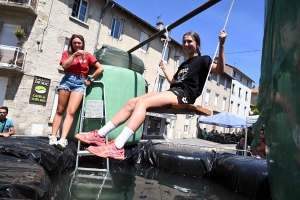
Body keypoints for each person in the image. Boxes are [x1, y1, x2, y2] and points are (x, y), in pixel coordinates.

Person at [75, 30, 227, 160]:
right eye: (184, 42)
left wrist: (221, 45)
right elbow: (174, 81)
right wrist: (165, 68)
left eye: (190, 41)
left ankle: (117, 145)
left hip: (185, 94)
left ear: (197, 44)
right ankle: (100, 134)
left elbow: (219, 70)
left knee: (142, 104)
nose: (186, 44)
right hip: (173, 91)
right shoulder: (183, 64)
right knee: (132, 101)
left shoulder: (203, 59)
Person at [49, 34, 104, 150]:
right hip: (67, 80)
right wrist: (74, 55)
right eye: (75, 43)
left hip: (80, 82)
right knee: (60, 110)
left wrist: (90, 79)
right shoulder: (67, 54)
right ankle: (53, 136)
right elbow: (64, 65)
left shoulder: (88, 55)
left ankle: (63, 140)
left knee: (71, 112)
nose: (77, 45)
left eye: (79, 43)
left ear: (83, 44)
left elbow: (100, 68)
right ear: (71, 44)